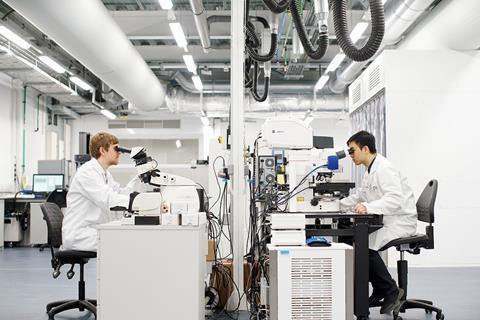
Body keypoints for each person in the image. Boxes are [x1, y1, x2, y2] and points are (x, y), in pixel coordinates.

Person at [340, 131, 417, 314]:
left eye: (352, 150)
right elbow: (361, 195)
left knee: (364, 247)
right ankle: (380, 288)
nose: (350, 155)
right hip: (388, 220)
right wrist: (337, 204)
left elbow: (395, 199)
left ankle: (390, 290)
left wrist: (367, 207)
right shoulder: (370, 169)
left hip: (400, 221)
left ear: (365, 148)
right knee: (355, 242)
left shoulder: (384, 168)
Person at [62, 132, 145, 252]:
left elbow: (120, 194)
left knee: (129, 239)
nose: (119, 153)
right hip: (81, 234)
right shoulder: (87, 172)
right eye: (116, 149)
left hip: (93, 230)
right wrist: (140, 203)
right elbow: (107, 199)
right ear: (103, 150)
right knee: (127, 243)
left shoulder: (104, 174)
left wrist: (141, 176)